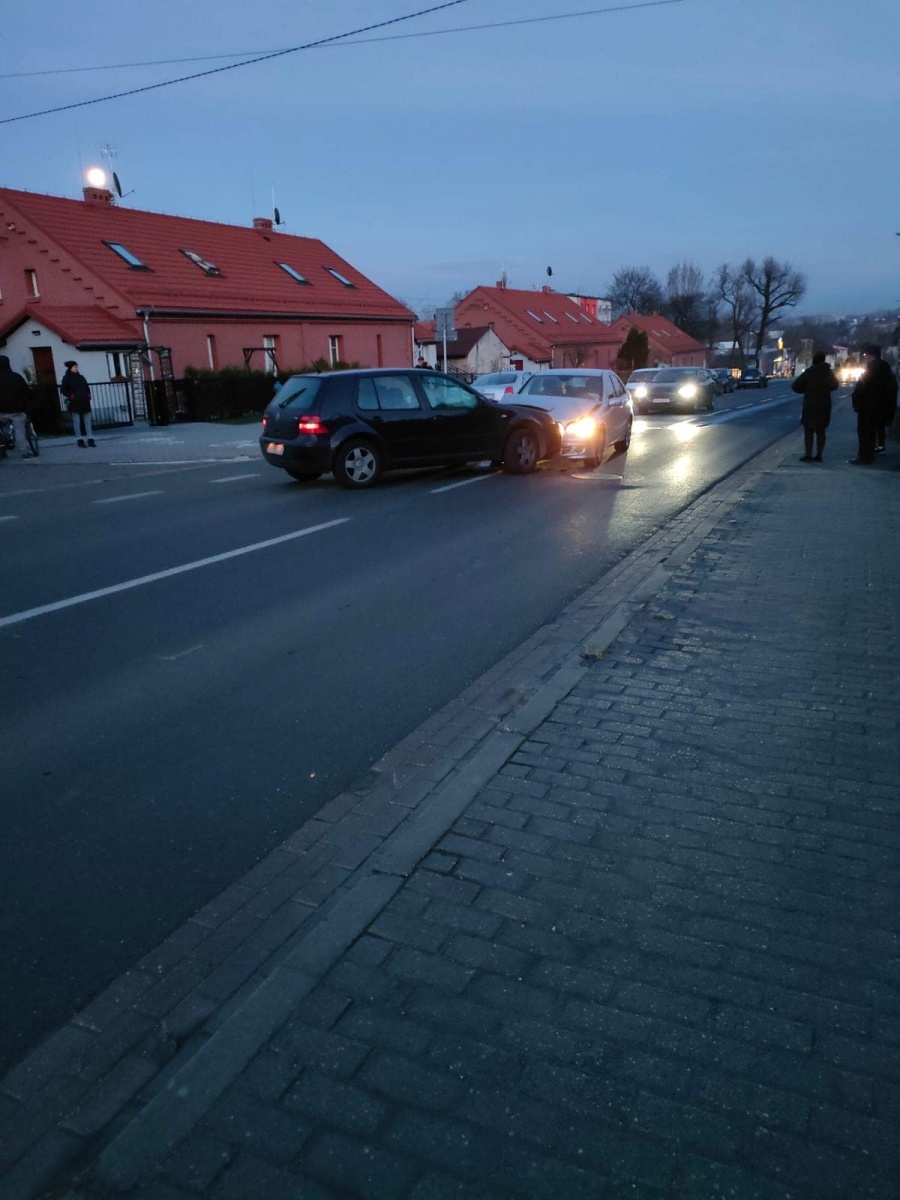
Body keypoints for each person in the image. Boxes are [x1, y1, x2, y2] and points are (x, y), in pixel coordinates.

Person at [850, 345, 898, 465]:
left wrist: (857, 401)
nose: (865, 357)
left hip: (868, 406)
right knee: (871, 432)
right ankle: (869, 454)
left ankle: (865, 456)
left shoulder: (872, 369)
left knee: (865, 432)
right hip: (878, 406)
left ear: (871, 355)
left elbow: (864, 388)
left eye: (866, 355)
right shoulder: (885, 369)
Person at [791, 351, 838, 462]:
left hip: (810, 405)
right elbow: (835, 385)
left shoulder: (809, 372)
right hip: (824, 405)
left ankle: (808, 454)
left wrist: (806, 389)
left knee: (809, 431)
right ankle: (819, 455)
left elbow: (795, 386)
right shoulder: (828, 372)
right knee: (821, 431)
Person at [0, 354, 36, 458]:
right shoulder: (16, 377)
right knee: (19, 431)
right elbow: (27, 392)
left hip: (1, 411)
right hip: (16, 410)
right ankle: (25, 452)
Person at [61, 360, 95, 447]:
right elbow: (63, 390)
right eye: (74, 367)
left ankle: (90, 438)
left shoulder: (81, 377)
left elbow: (86, 387)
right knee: (77, 422)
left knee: (87, 421)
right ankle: (79, 439)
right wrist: (70, 396)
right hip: (75, 403)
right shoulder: (67, 378)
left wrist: (88, 395)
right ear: (70, 368)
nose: (76, 368)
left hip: (84, 402)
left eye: (77, 367)